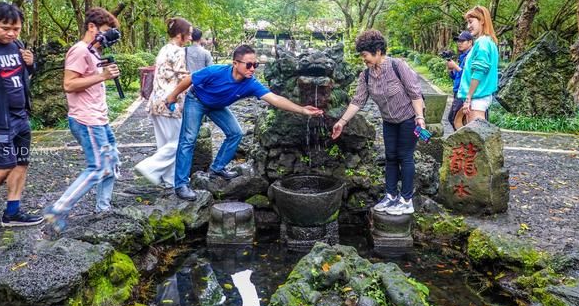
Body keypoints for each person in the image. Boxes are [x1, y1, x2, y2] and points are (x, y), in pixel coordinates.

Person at [166, 44, 323, 200]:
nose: (253, 69)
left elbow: (274, 98)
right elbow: (190, 79)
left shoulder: (250, 83)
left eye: (255, 65)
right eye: (249, 65)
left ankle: (217, 168)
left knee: (236, 133)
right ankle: (181, 185)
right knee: (189, 139)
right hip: (197, 100)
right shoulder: (216, 71)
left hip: (216, 106)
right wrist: (172, 96)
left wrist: (302, 110)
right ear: (235, 63)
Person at [43, 7, 121, 232]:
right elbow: (68, 84)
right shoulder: (78, 50)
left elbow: (91, 80)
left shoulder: (94, 51)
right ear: (91, 27)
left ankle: (103, 208)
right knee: (97, 167)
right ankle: (57, 210)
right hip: (86, 120)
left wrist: (104, 75)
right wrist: (102, 76)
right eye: (106, 31)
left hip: (99, 118)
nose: (108, 36)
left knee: (112, 161)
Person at [332, 30, 425, 215]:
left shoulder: (398, 66)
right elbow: (358, 101)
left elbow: (415, 94)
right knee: (390, 156)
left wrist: (420, 118)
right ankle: (390, 196)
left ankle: (406, 200)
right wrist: (341, 122)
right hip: (389, 121)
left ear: (378, 51)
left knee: (404, 156)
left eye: (365, 55)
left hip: (409, 118)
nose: (363, 59)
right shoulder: (366, 75)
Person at [0, 2, 43, 228]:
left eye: (16, 29)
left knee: (21, 163)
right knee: (2, 166)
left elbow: (21, 75)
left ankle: (13, 211)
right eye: (5, 28)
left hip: (20, 117)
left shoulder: (17, 44)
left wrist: (31, 65)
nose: (11, 33)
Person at [134, 17, 192, 188]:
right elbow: (183, 78)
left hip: (155, 101)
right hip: (170, 103)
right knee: (179, 142)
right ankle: (149, 166)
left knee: (165, 144)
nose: (190, 38)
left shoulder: (164, 49)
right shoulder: (179, 51)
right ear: (180, 35)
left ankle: (169, 180)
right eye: (188, 34)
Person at [457, 6, 499, 122]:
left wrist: (468, 98)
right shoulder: (489, 41)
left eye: (471, 22)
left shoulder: (482, 43)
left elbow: (479, 71)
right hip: (481, 96)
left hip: (477, 98)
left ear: (482, 20)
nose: (468, 26)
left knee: (474, 138)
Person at [446, 31, 473, 129]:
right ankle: (461, 141)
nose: (459, 43)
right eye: (458, 41)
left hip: (464, 92)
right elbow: (455, 76)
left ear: (470, 42)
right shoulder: (462, 56)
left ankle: (461, 141)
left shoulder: (471, 56)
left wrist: (456, 67)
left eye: (462, 41)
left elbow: (469, 76)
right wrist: (450, 69)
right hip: (458, 91)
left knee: (454, 118)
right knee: (455, 118)